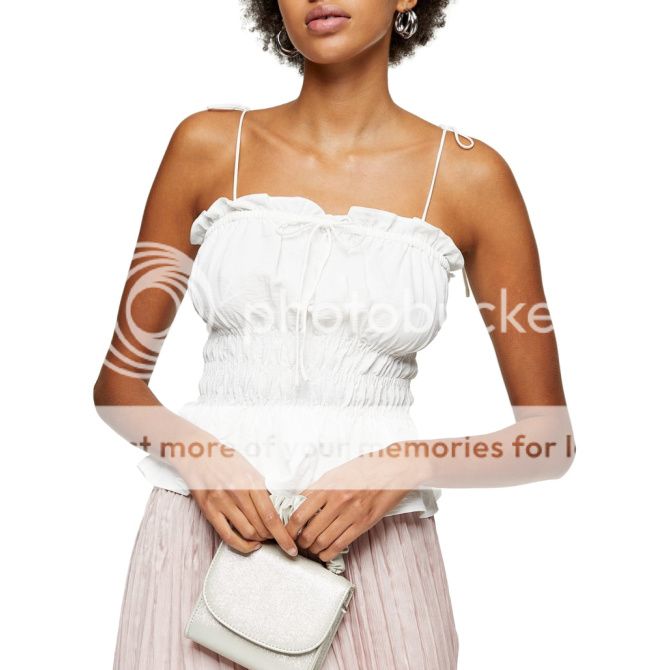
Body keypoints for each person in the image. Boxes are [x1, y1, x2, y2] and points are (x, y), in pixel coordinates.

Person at [93, 1, 575, 668]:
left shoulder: (472, 178)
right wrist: (200, 455)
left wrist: (403, 465)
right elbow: (118, 387)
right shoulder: (206, 146)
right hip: (196, 547)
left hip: (377, 564)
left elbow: (547, 441)